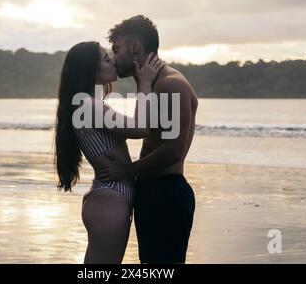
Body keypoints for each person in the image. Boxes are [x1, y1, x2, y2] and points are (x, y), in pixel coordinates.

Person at [98, 15, 198, 264]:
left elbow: (173, 150)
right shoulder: (152, 84)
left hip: (166, 194)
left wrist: (125, 171)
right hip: (154, 192)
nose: (113, 56)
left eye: (117, 48)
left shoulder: (169, 85)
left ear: (136, 47)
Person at [54, 41, 164, 264]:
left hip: (108, 199)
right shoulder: (88, 105)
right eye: (106, 58)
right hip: (109, 200)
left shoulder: (88, 103)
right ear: (91, 70)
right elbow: (140, 128)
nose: (113, 60)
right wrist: (144, 83)